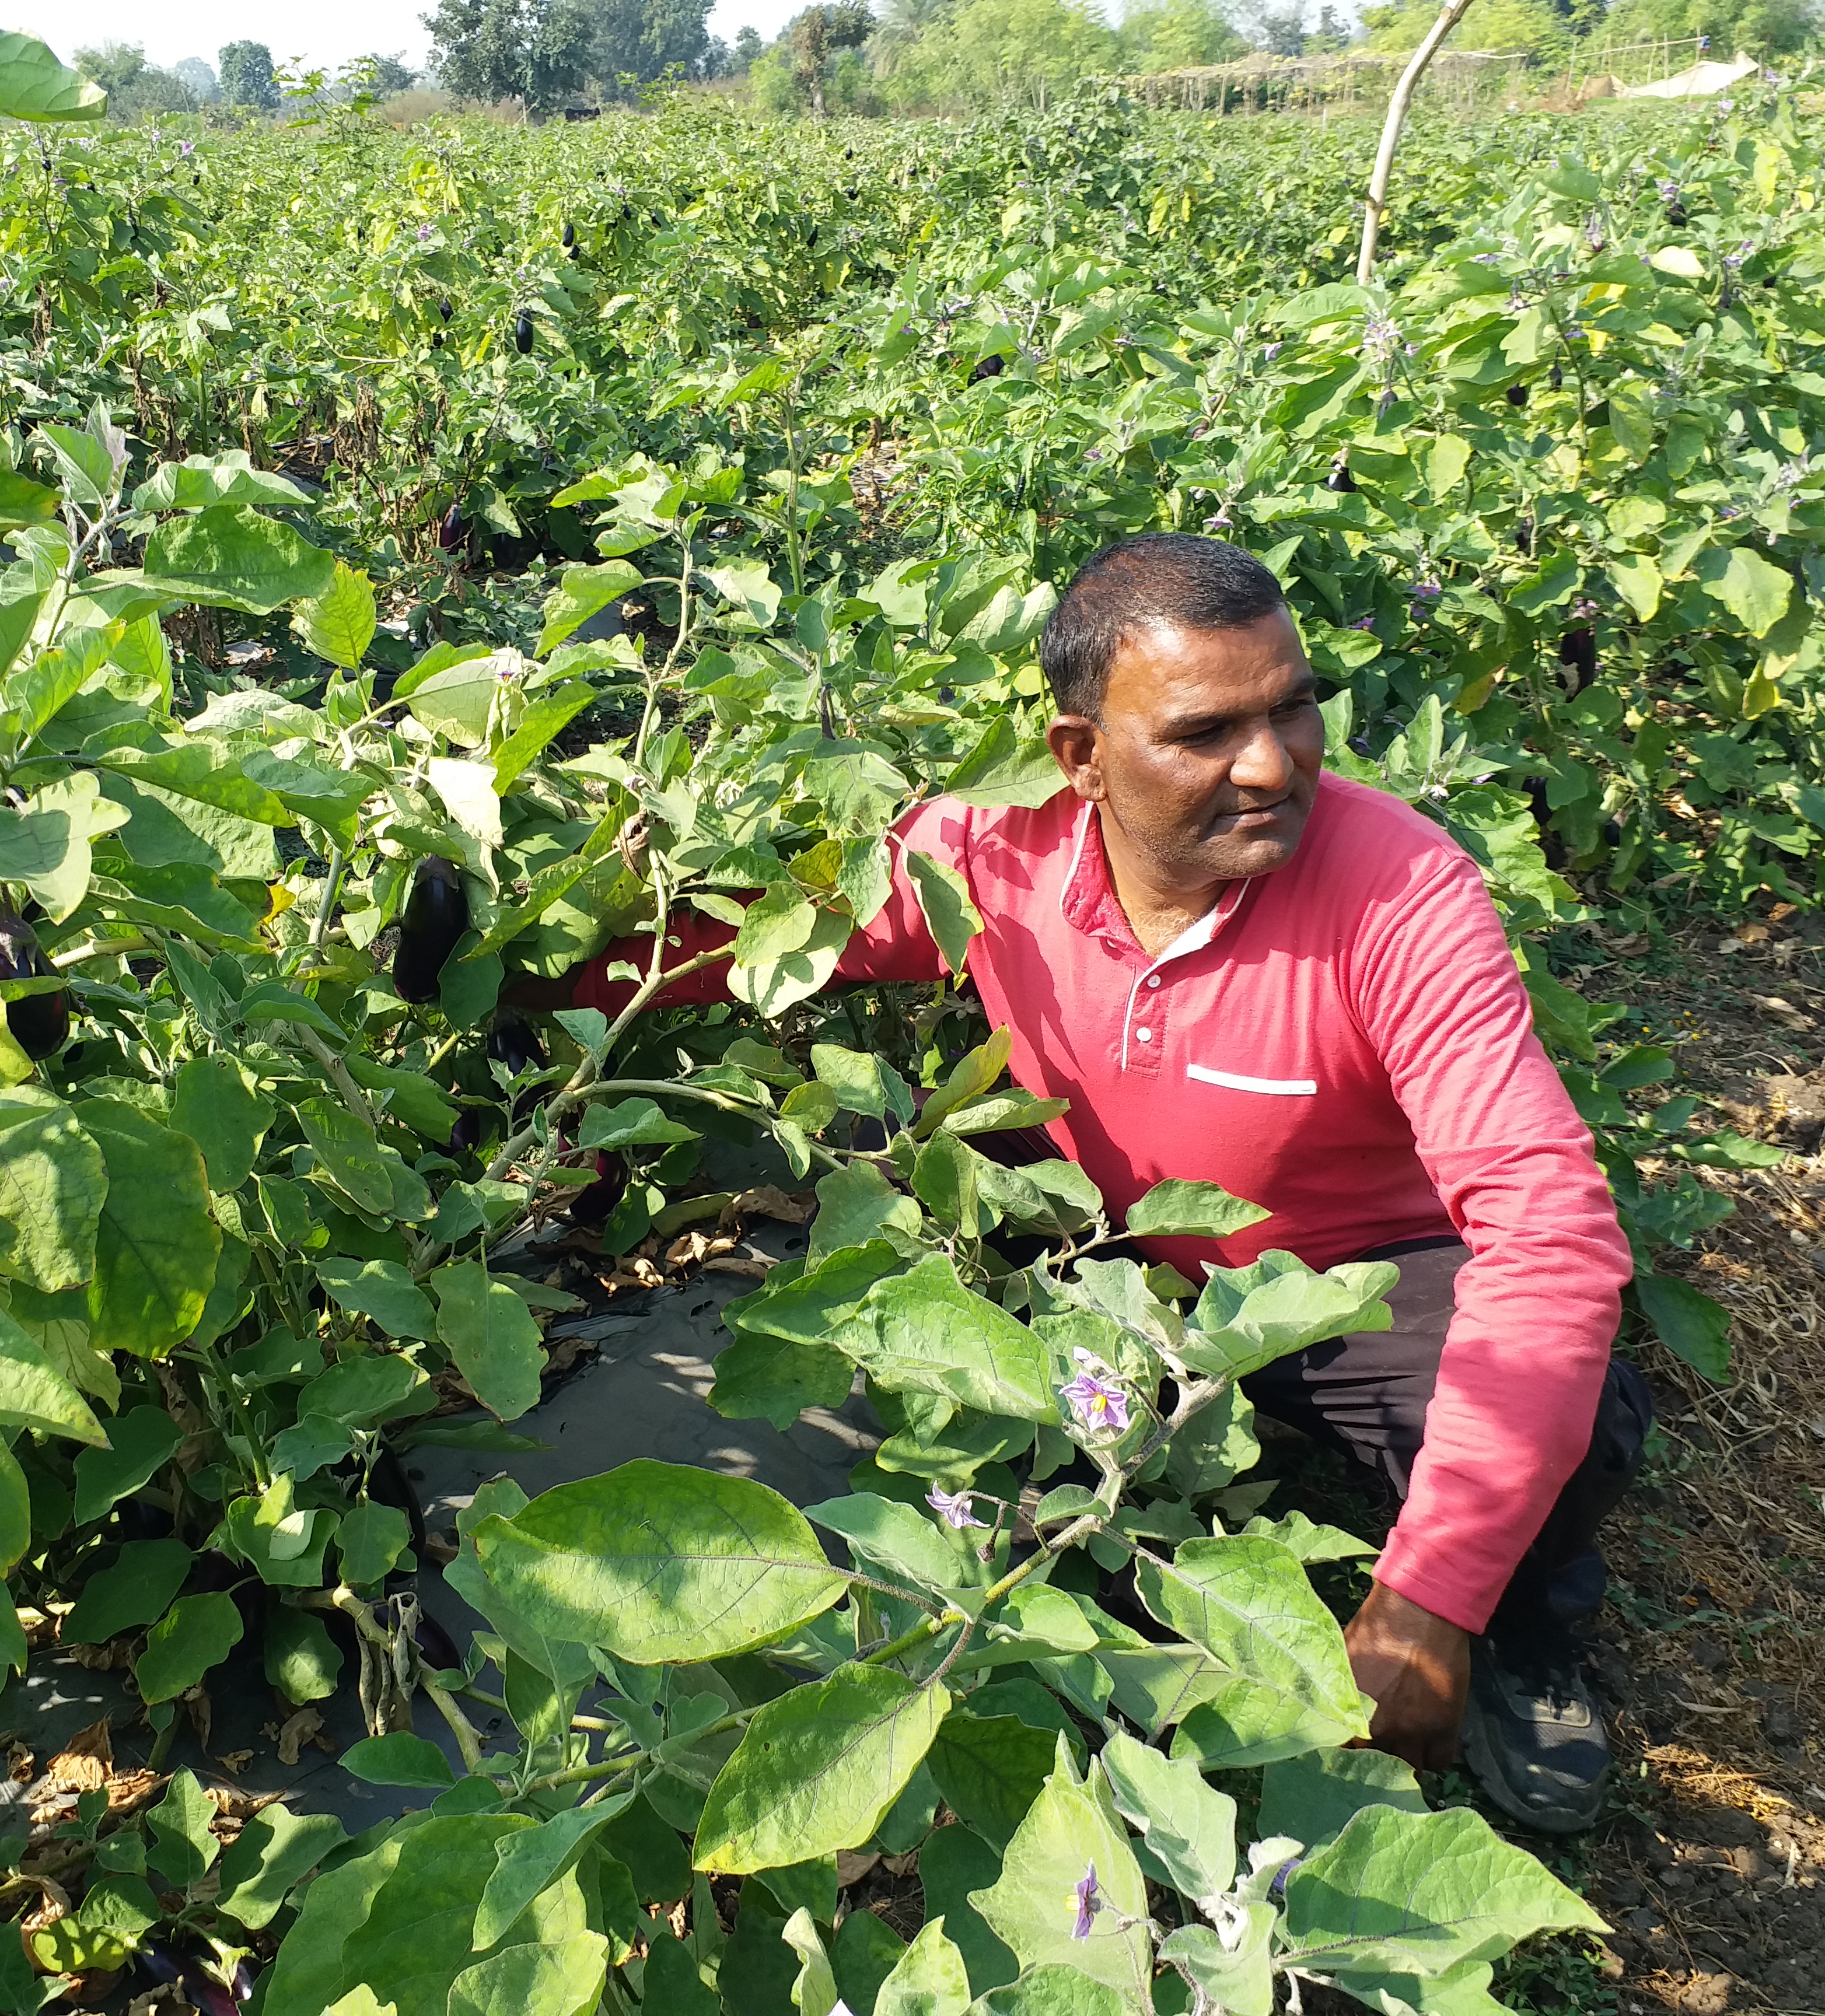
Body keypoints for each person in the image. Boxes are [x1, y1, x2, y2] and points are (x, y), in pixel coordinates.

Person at [520, 533, 1646, 1832]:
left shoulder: (1399, 893)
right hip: (1096, 1237)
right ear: (1079, 756)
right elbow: (752, 941)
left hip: (1347, 1275)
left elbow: (1547, 1231)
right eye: (1207, 730)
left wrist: (1428, 1603)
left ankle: (1526, 1629)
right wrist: (515, 962)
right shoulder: (989, 854)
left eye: (1293, 705)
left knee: (1573, 1419)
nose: (1275, 761)